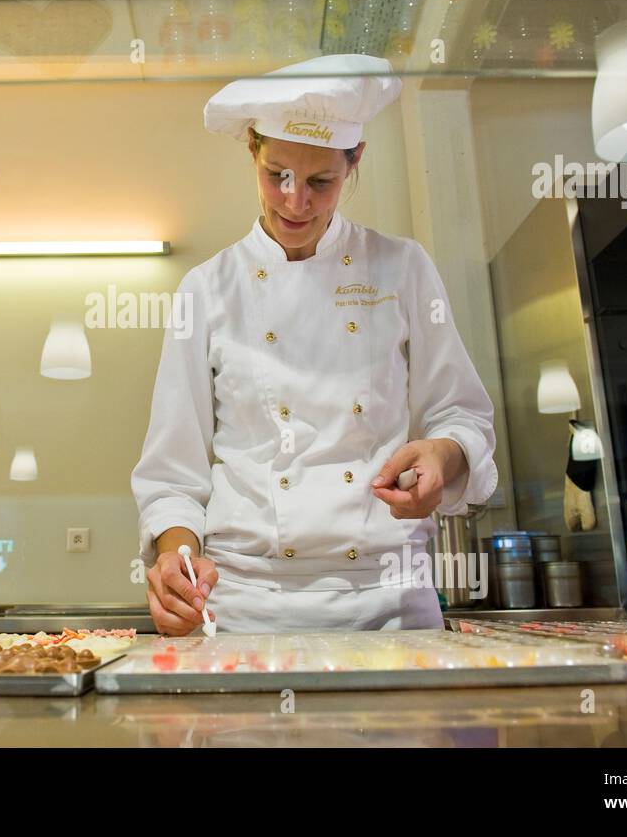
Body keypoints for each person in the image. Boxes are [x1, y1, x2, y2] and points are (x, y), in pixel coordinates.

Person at [131, 54, 498, 634]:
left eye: (321, 182)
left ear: (355, 163)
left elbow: (462, 415)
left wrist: (443, 454)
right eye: (276, 173)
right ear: (251, 149)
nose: (294, 201)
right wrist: (178, 566)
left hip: (390, 602)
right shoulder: (206, 290)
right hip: (247, 606)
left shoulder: (401, 268)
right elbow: (173, 475)